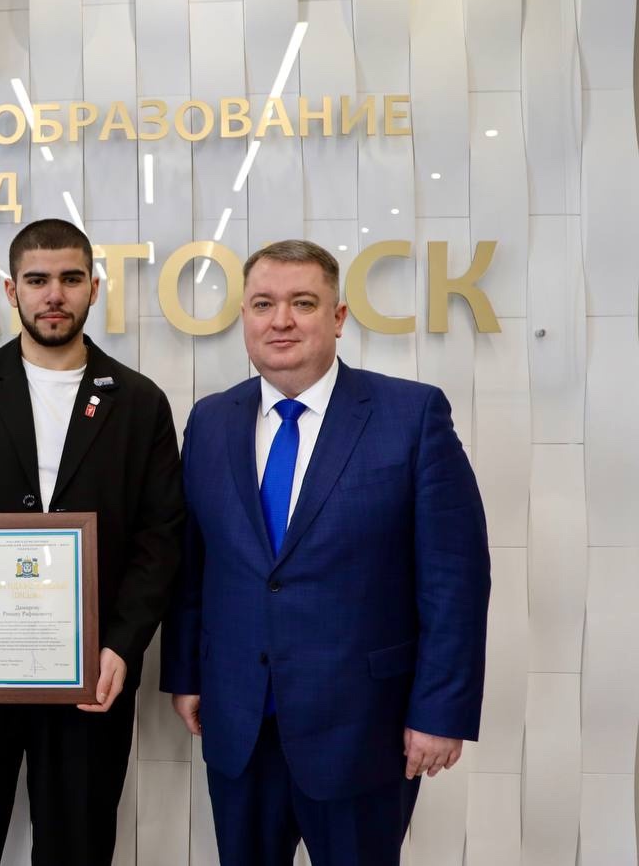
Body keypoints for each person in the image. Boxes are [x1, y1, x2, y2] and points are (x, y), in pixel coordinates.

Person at [161, 239, 491, 864]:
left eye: (303, 303)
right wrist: (186, 675)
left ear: (337, 317)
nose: (280, 320)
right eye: (263, 304)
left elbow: (455, 579)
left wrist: (441, 711)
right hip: (238, 718)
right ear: (245, 318)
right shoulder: (211, 420)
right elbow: (193, 564)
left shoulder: (410, 414)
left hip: (363, 729)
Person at [0, 217, 185, 865]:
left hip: (90, 676)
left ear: (94, 288)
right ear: (11, 290)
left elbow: (160, 539)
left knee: (77, 846)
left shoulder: (139, 402)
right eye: (37, 280)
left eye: (70, 279)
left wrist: (120, 644)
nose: (54, 294)